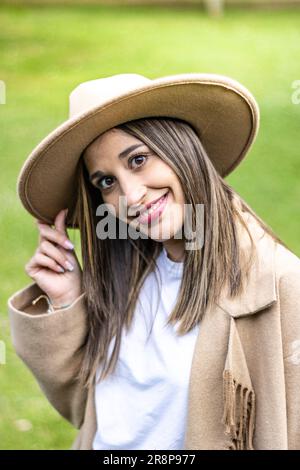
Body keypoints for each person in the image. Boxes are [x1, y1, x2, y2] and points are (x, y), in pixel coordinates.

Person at [8, 73, 300, 450]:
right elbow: (90, 409)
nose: (130, 195)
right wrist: (66, 301)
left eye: (139, 160)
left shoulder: (280, 286)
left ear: (182, 151)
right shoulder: (130, 274)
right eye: (106, 183)